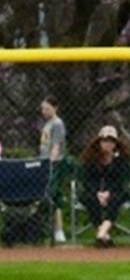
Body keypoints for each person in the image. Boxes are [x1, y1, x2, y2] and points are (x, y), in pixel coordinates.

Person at [77, 124, 130, 248]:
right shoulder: (90, 158)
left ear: (116, 143)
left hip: (116, 192)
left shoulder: (122, 159)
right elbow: (86, 181)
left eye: (111, 140)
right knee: (90, 199)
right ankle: (105, 236)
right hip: (93, 192)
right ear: (99, 141)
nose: (108, 143)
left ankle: (101, 233)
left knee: (115, 199)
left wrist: (108, 193)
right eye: (105, 140)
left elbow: (123, 181)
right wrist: (98, 193)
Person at [38, 98, 68, 244]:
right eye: (43, 109)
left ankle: (58, 231)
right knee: (52, 197)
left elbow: (56, 145)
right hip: (45, 163)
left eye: (47, 108)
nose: (44, 112)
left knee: (52, 196)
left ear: (55, 107)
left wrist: (50, 162)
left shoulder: (57, 124)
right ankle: (54, 230)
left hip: (54, 164)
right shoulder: (47, 124)